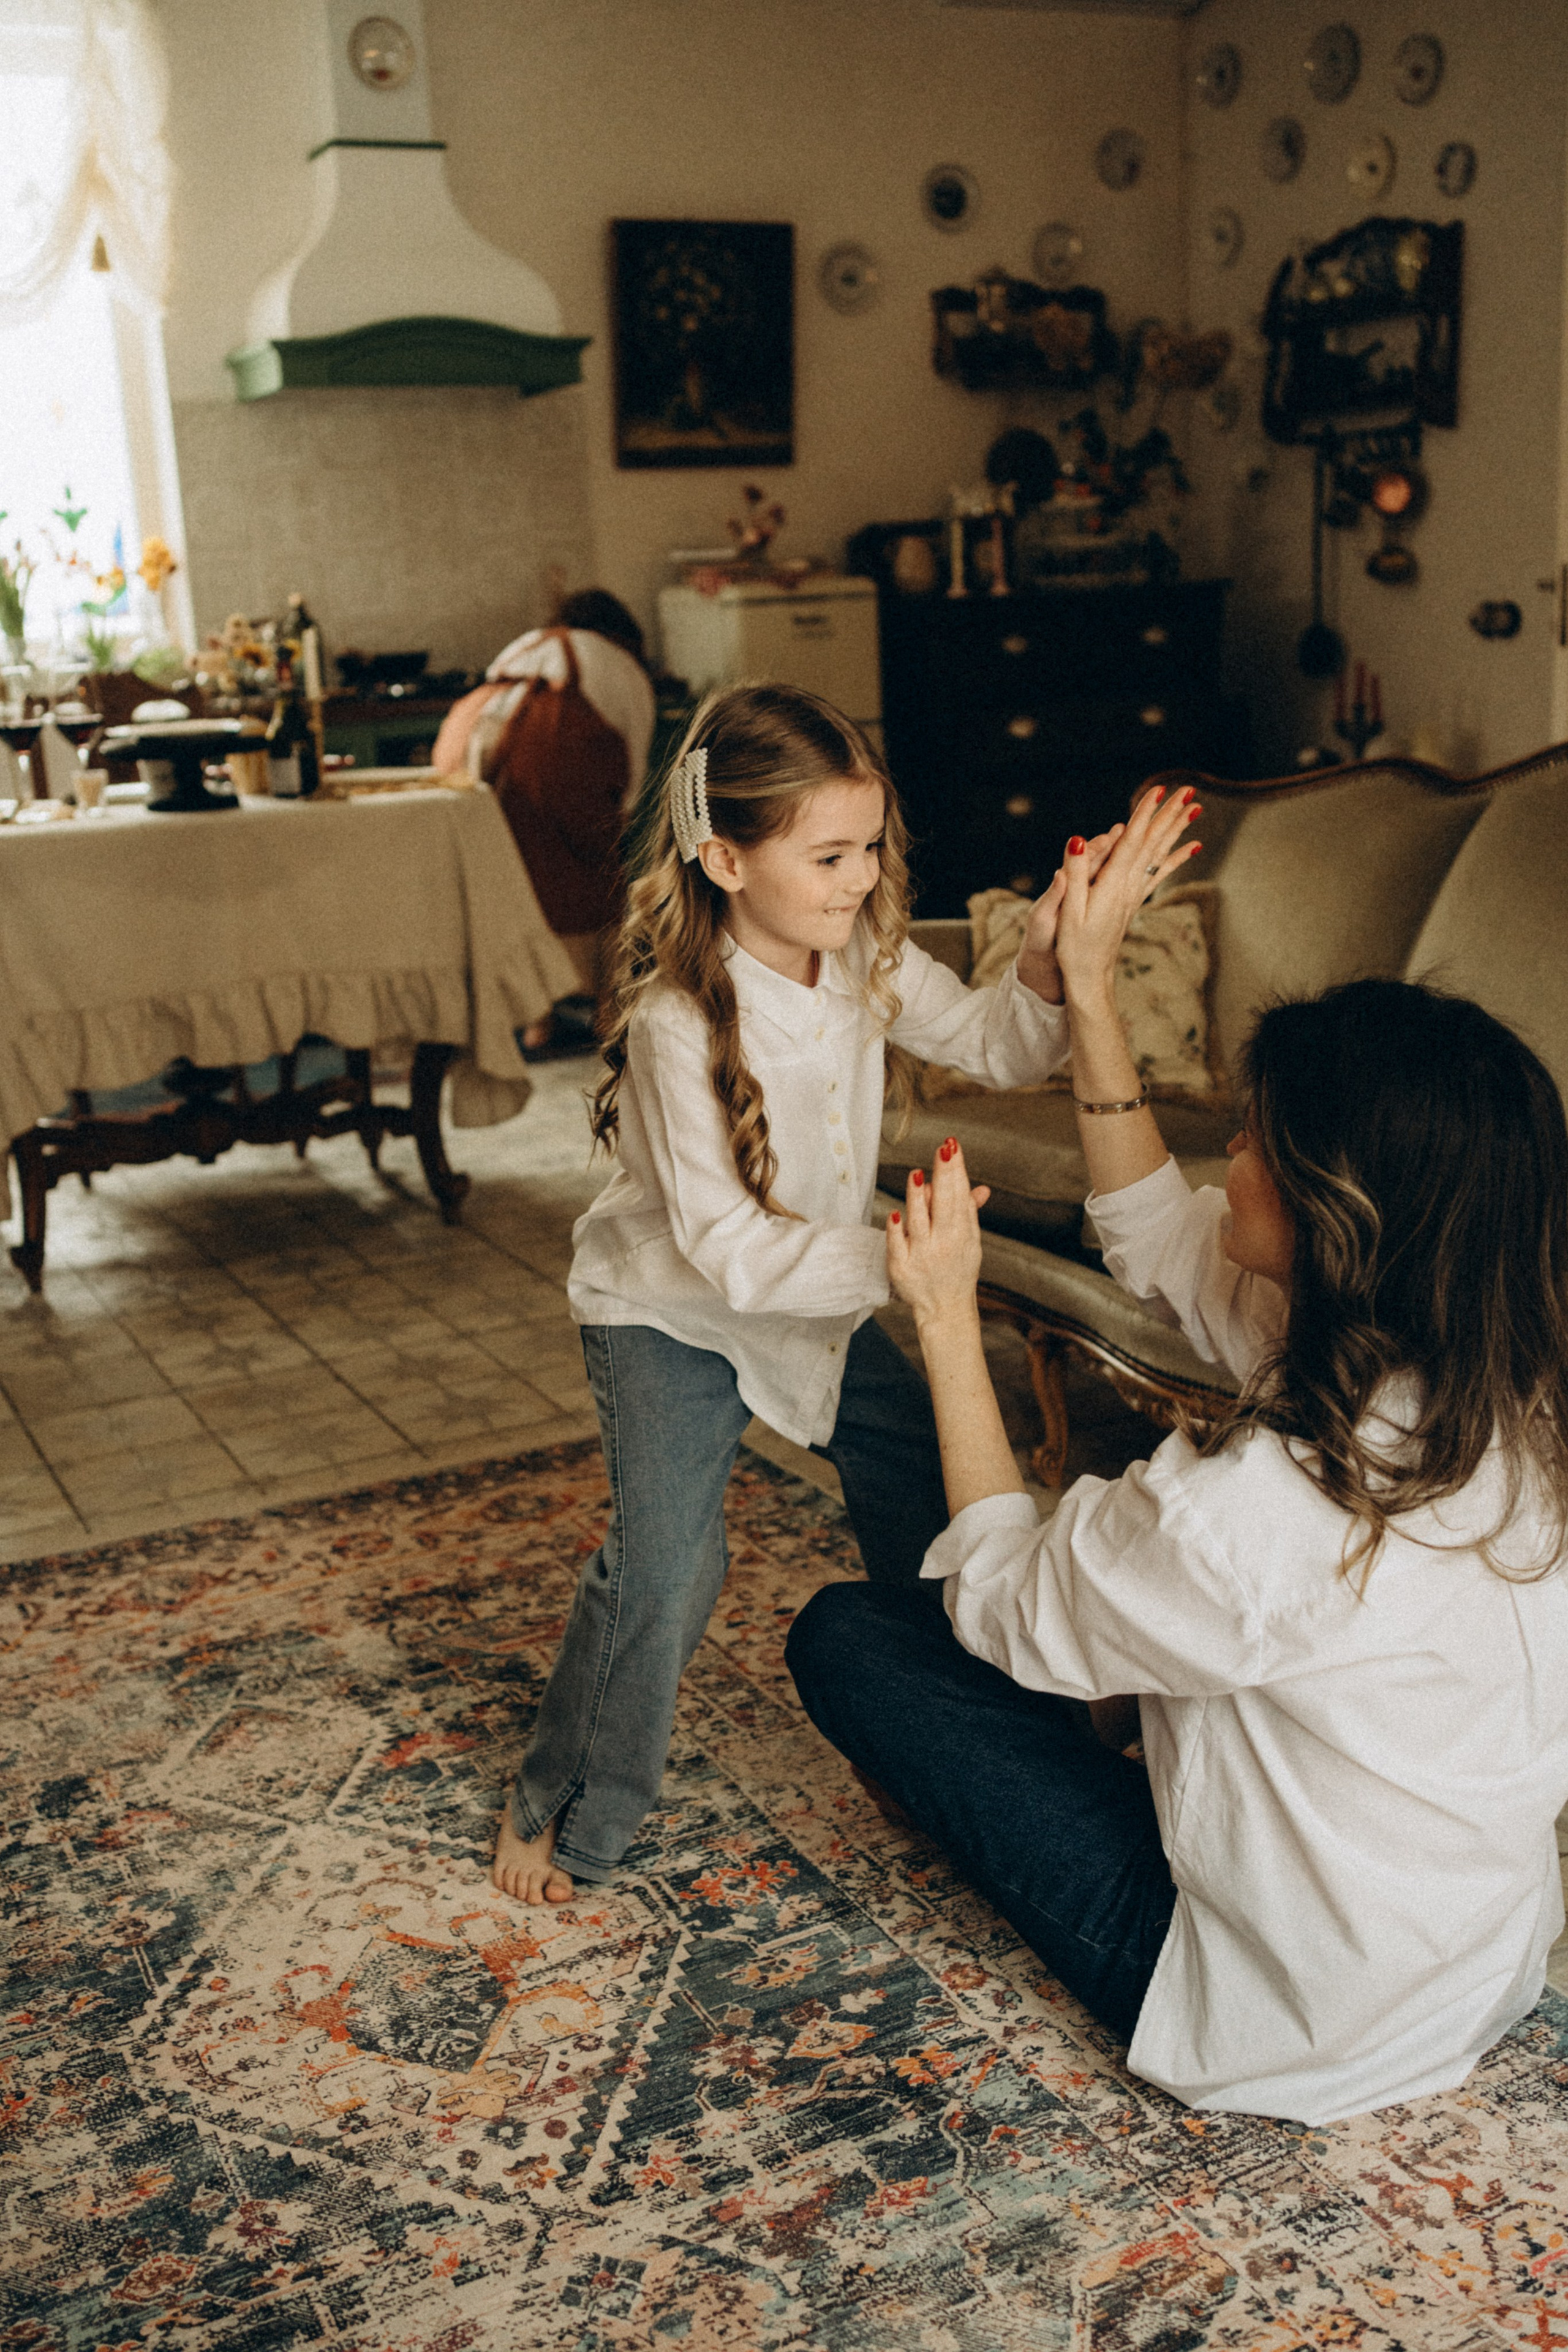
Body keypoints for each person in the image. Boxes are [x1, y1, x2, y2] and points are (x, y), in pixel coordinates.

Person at [786, 787, 1568, 2125]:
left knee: (853, 1639)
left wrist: (945, 1322)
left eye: (1255, 1142)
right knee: (1113, 1653)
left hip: (1285, 2017)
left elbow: (996, 1601)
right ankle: (1132, 1702)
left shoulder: (1263, 1507)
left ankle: (1117, 1737)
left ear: (1333, 1214)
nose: (1232, 1157)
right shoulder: (1486, 1375)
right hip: (1469, 1962)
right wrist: (1084, 986)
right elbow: (1153, 1230)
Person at [490, 682, 1125, 1906]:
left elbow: (1002, 1046)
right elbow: (727, 1255)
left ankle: (955, 1743)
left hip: (816, 1300)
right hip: (667, 1314)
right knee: (669, 1570)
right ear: (723, 858)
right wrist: (906, 1254)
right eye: (827, 855)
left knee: (935, 1484)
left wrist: (1047, 953)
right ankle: (560, 1800)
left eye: (869, 847)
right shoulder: (678, 1018)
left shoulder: (864, 959)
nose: (857, 877)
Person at [432, 589, 657, 1047]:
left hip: (465, 735)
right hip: (556, 742)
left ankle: (535, 1018)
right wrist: (623, 820)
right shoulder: (618, 661)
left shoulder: (529, 643)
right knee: (588, 872)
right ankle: (606, 1009)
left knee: (506, 875)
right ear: (622, 635)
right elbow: (633, 757)